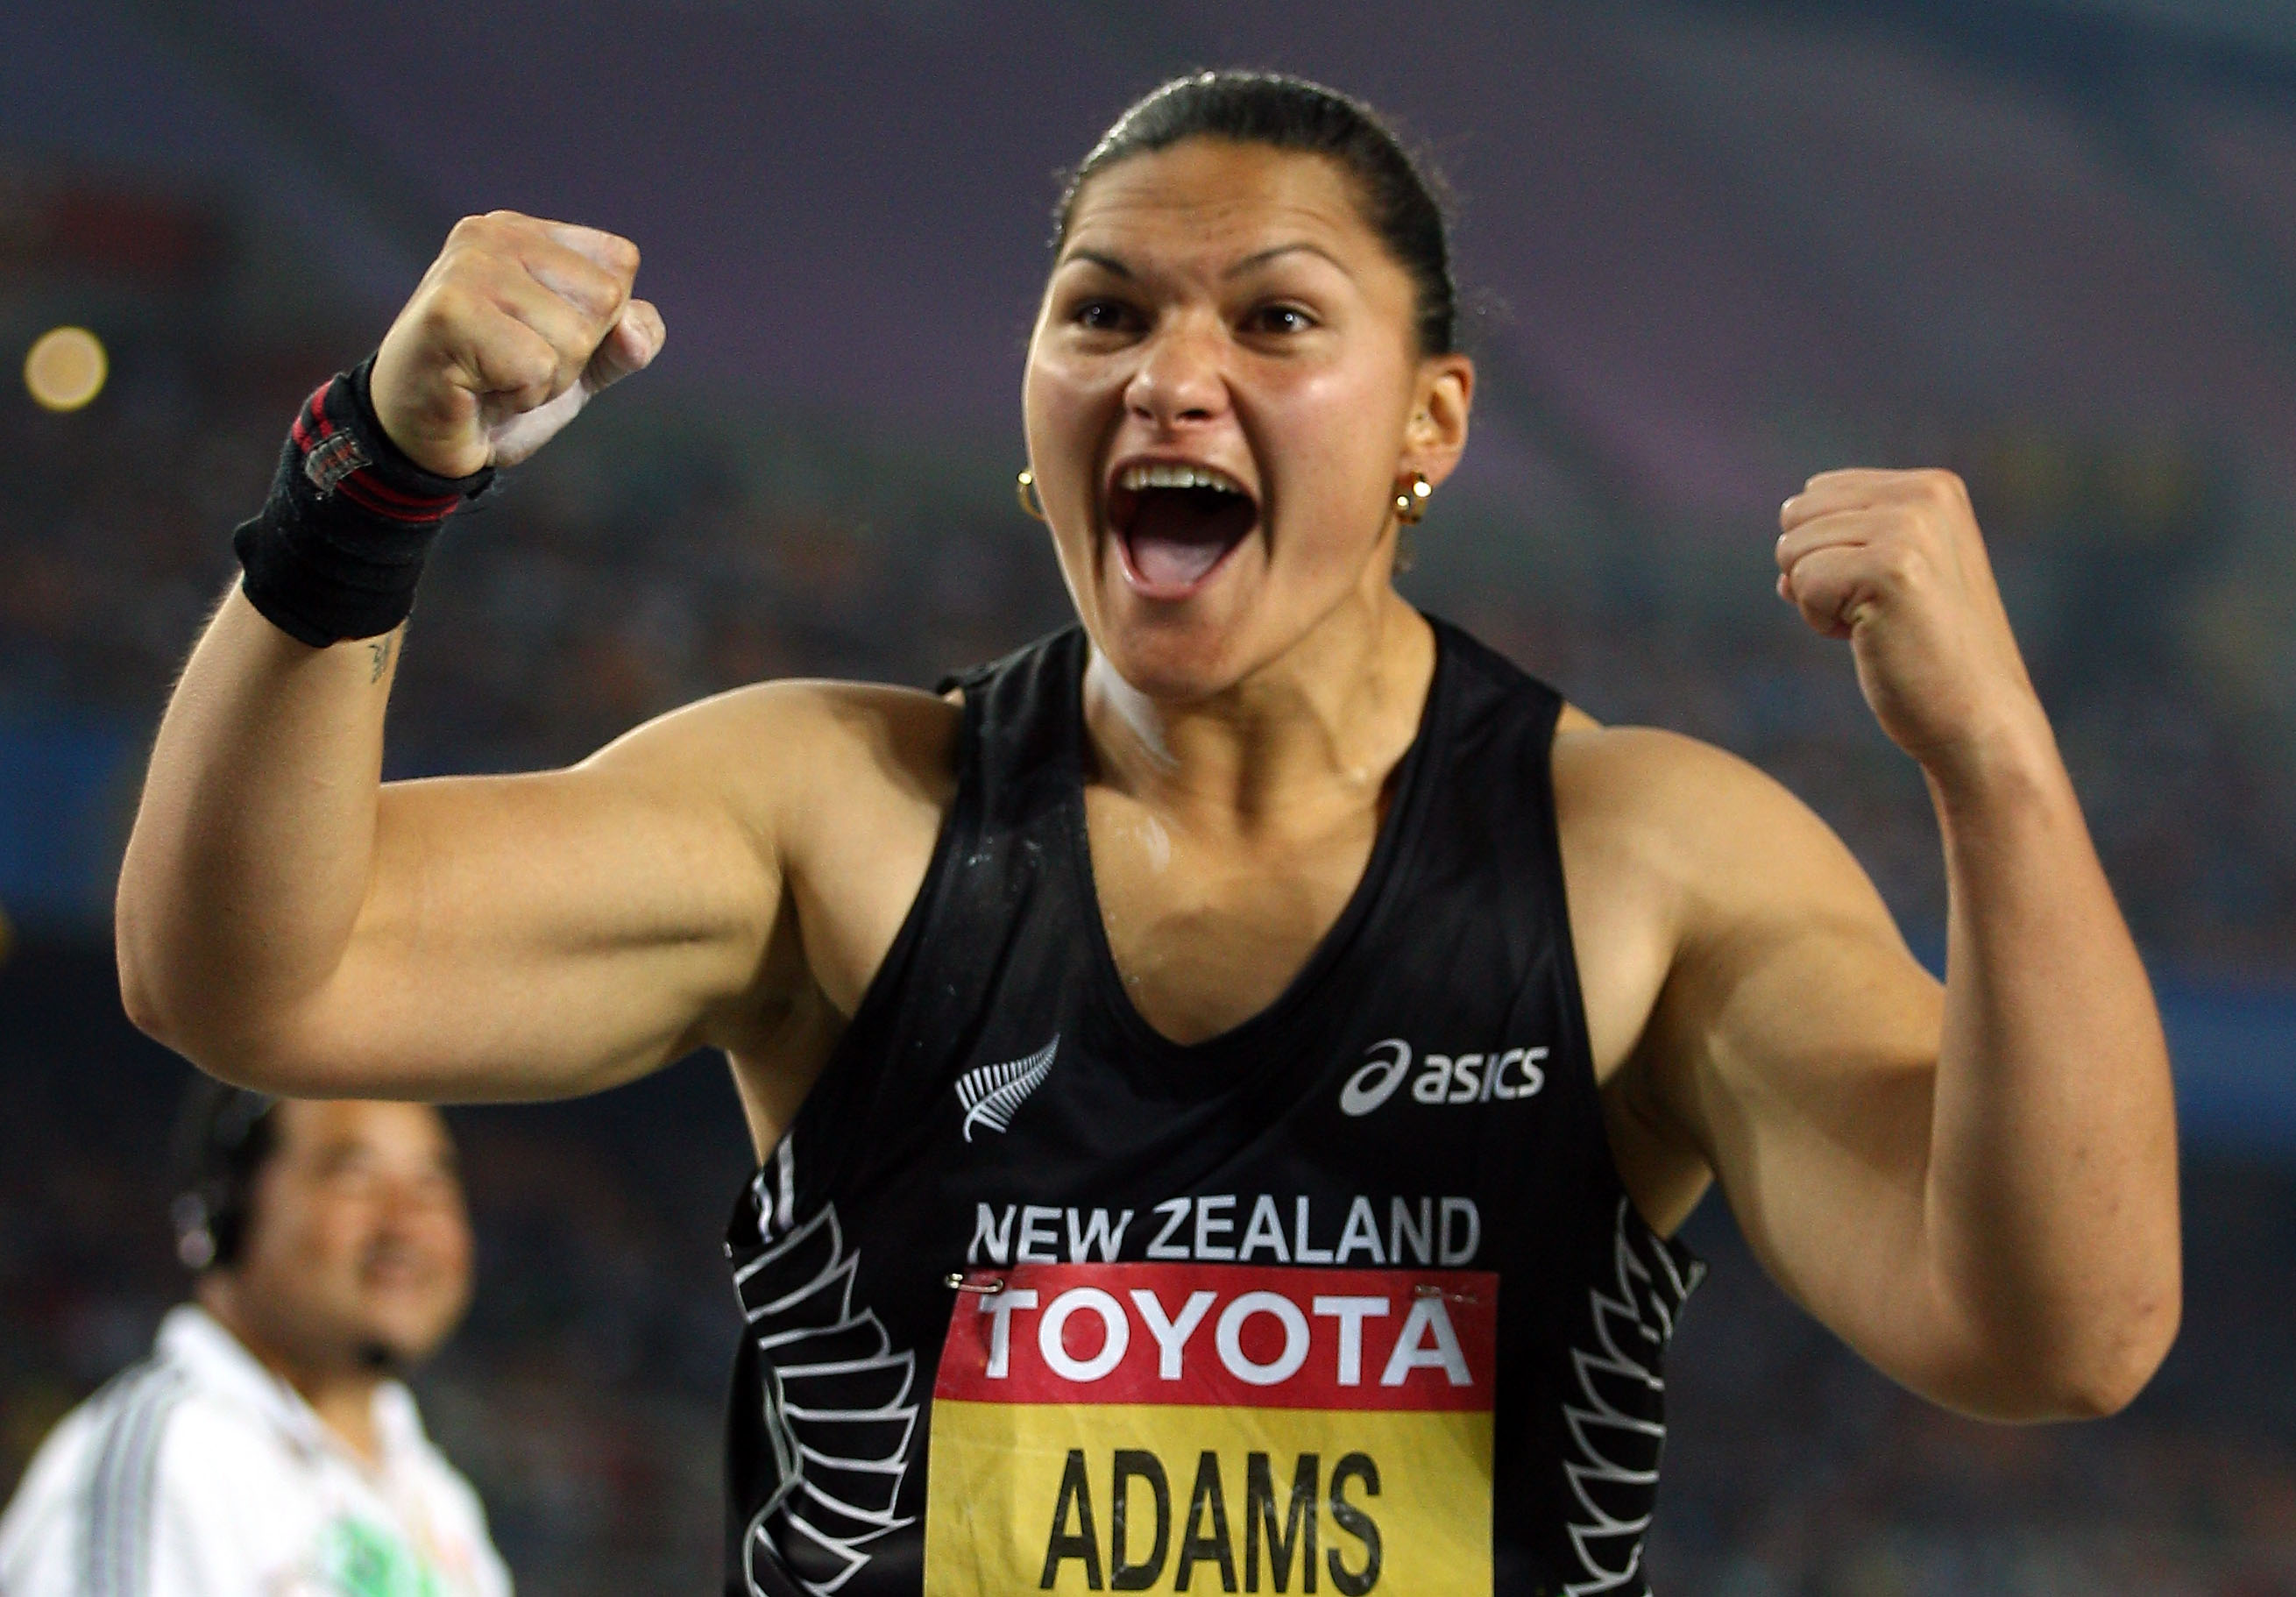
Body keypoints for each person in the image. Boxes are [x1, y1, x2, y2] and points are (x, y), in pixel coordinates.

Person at [113, 70, 2179, 1597]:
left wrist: (1994, 757)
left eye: (1272, 321)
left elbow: (2056, 1328)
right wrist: (377, 474)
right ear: (1033, 402)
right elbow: (249, 971)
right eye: (1101, 314)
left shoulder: (1637, 861)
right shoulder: (839, 819)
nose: (1168, 379)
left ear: (1429, 426)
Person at [0, 1084, 511, 1597]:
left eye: (433, 1185)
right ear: (227, 1213)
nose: (406, 1224)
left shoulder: (440, 1502)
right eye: (354, 1177)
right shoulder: (171, 1461)